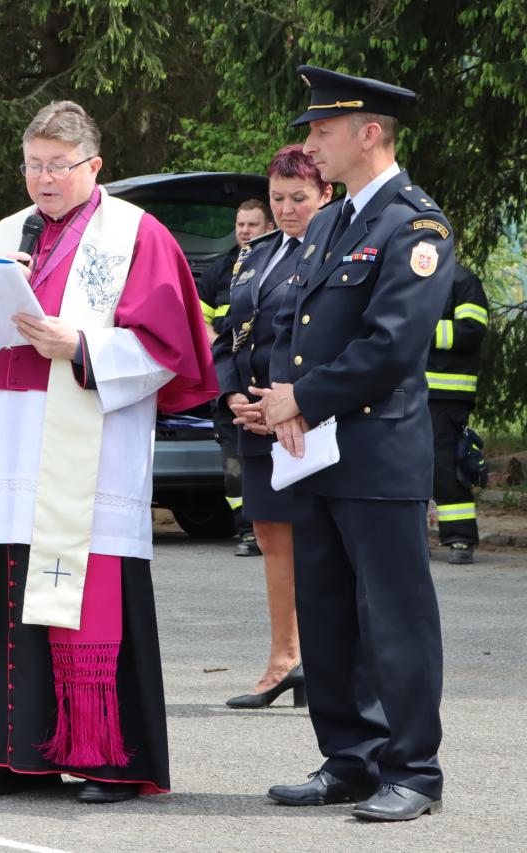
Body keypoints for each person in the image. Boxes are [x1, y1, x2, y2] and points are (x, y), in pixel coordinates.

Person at [0, 101, 217, 804]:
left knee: (86, 596)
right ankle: (6, 754)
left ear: (94, 165)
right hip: (5, 453)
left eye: (58, 165)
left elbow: (171, 349)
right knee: (2, 594)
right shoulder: (1, 235)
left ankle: (107, 760)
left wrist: (79, 344)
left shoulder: (136, 235)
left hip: (88, 456)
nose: (44, 179)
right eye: (34, 165)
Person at [247, 66, 452, 822]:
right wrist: (277, 397)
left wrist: (301, 398)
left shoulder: (416, 226)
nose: (310, 144)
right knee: (328, 612)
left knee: (394, 617)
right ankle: (350, 758)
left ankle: (415, 770)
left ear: (369, 134)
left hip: (377, 450)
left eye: (322, 130)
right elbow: (295, 323)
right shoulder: (333, 219)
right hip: (315, 448)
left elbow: (392, 345)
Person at [215, 145, 332, 708]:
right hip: (254, 417)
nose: (286, 210)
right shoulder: (255, 254)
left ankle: (328, 663)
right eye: (277, 198)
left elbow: (329, 339)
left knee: (320, 541)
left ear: (325, 194)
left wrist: (289, 402)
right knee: (270, 536)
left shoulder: (334, 250)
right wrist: (233, 394)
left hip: (310, 416)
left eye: (298, 198)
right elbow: (230, 334)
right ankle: (286, 659)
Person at [200, 199, 272, 557]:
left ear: (268, 227)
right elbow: (200, 321)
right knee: (234, 464)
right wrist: (224, 351)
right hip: (229, 378)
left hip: (268, 378)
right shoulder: (219, 270)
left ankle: (273, 528)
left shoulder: (279, 261)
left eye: (252, 225)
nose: (244, 231)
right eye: (240, 224)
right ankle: (247, 530)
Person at [426, 263, 488, 564]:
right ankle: (412, 539)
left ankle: (460, 538)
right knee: (405, 468)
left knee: (446, 467)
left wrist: (420, 331)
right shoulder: (403, 274)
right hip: (404, 394)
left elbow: (472, 329)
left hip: (447, 394)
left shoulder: (462, 279)